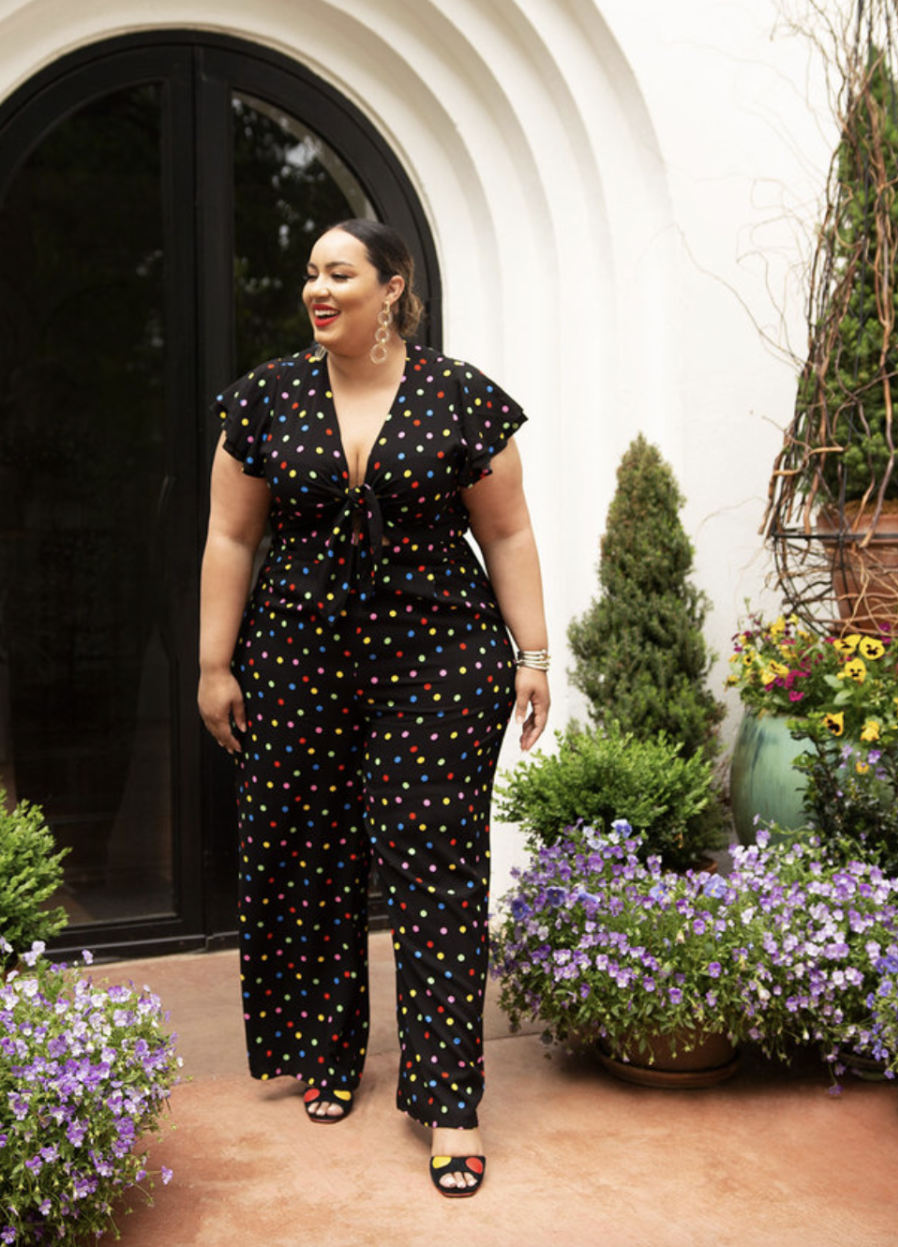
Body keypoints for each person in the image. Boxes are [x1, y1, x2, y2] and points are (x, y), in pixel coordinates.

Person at [198, 218, 549, 1197]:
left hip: (438, 660)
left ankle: (449, 1096)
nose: (318, 288)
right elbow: (229, 535)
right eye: (311, 273)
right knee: (309, 853)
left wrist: (534, 652)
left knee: (436, 870)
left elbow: (509, 530)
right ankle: (328, 1046)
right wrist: (212, 662)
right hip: (298, 657)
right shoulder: (265, 397)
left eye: (339, 272)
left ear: (391, 287)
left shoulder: (458, 397)